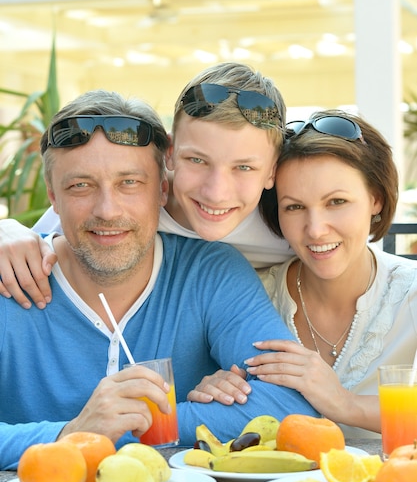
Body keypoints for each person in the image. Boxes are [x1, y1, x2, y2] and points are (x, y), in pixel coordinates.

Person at [0, 89, 318, 470]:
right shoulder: (10, 277)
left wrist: (137, 422)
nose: (107, 210)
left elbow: (289, 404)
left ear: (163, 188)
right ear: (53, 195)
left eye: (129, 182)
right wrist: (73, 435)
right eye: (80, 185)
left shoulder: (210, 272)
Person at [0, 62, 292, 309]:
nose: (216, 192)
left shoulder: (291, 221)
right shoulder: (135, 197)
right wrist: (7, 230)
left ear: (272, 171)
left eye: (243, 167)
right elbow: (36, 238)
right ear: (170, 153)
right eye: (197, 160)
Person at [210, 110, 417, 440]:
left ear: (375, 199)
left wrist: (345, 403)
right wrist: (217, 391)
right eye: (294, 206)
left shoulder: (411, 292)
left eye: (336, 201)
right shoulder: (250, 297)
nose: (316, 230)